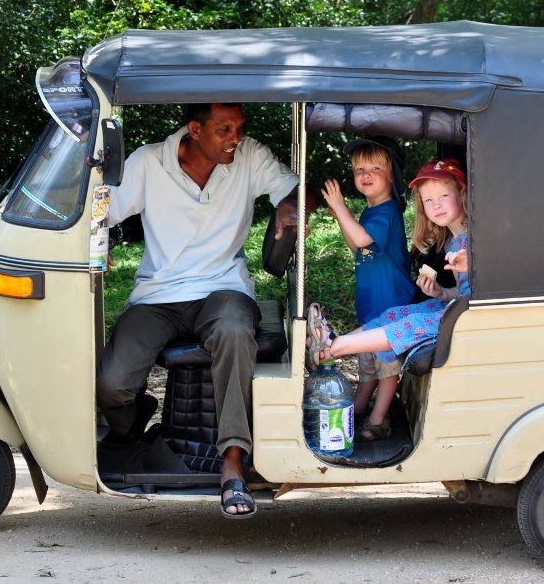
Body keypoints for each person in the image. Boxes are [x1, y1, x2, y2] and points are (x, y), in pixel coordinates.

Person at [97, 102, 304, 519]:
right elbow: (104, 210)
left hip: (222, 286)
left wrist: (289, 203)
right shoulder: (149, 161)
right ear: (195, 129)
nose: (236, 138)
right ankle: (131, 423)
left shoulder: (249, 157)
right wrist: (95, 238)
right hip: (159, 294)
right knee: (111, 384)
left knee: (233, 330)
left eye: (239, 128)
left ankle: (232, 464)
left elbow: (297, 188)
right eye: (225, 130)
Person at [308, 158, 470, 440]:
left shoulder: (475, 237)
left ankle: (333, 347)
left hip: (471, 317)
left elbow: (489, 283)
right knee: (395, 315)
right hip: (456, 307)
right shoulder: (453, 241)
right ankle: (334, 338)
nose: (437, 205)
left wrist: (474, 265)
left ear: (463, 195)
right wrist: (442, 293)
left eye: (444, 196)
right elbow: (461, 291)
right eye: (429, 200)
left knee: (411, 324)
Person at [320, 137, 415, 438]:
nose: (365, 174)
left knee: (386, 366)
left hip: (392, 304)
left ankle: (378, 419)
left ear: (392, 175)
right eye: (360, 168)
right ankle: (358, 408)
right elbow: (356, 246)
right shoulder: (369, 212)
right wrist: (341, 217)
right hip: (373, 304)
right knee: (368, 365)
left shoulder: (388, 211)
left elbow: (362, 239)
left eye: (375, 167)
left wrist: (339, 206)